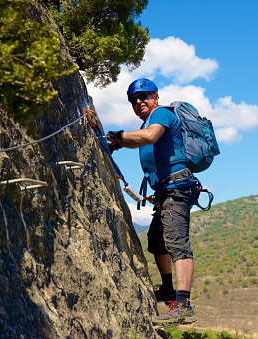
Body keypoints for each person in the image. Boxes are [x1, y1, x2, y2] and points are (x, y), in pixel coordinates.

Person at [107, 78, 197, 325]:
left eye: (144, 96)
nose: (139, 101)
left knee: (178, 244)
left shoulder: (162, 115)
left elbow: (150, 136)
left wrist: (121, 135)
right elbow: (137, 140)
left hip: (176, 189)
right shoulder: (147, 122)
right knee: (157, 241)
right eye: (134, 99)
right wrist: (117, 143)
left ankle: (183, 305)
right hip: (164, 192)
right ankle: (167, 290)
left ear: (155, 96)